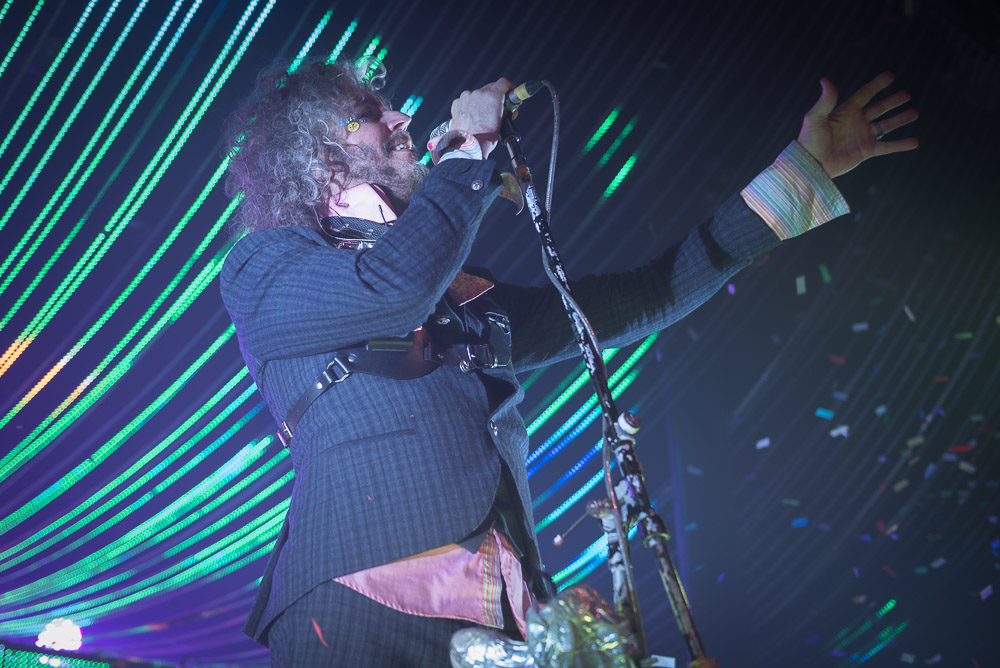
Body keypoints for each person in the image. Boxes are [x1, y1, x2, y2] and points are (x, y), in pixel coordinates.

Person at [219, 56, 917, 666]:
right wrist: (468, 160)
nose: (401, 116)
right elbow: (396, 285)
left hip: (502, 610)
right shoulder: (267, 264)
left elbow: (644, 296)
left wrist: (801, 173)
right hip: (362, 592)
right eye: (369, 114)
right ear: (320, 159)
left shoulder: (458, 291)